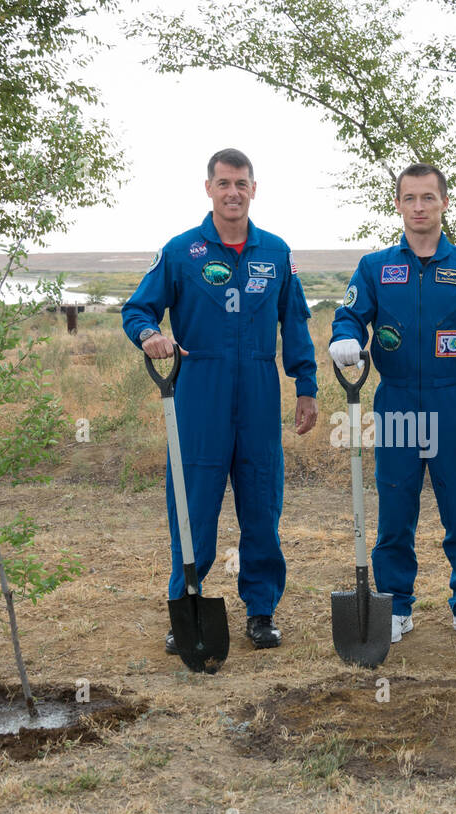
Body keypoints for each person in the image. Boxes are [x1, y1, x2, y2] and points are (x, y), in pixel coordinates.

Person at [122, 148, 318, 654]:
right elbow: (138, 308)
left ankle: (261, 612)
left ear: (255, 189)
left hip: (257, 390)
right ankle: (186, 606)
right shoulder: (182, 251)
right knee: (192, 507)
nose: (233, 192)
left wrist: (306, 386)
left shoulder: (276, 252)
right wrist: (149, 335)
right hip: (198, 391)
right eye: (224, 183)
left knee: (261, 504)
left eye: (242, 183)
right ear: (208, 188)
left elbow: (293, 324)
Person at [329, 163, 456, 645]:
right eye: (410, 198)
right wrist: (344, 339)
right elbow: (350, 314)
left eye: (429, 197)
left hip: (454, 406)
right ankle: (397, 605)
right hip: (398, 403)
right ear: (399, 204)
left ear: (444, 202)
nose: (420, 207)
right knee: (395, 512)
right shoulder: (376, 267)